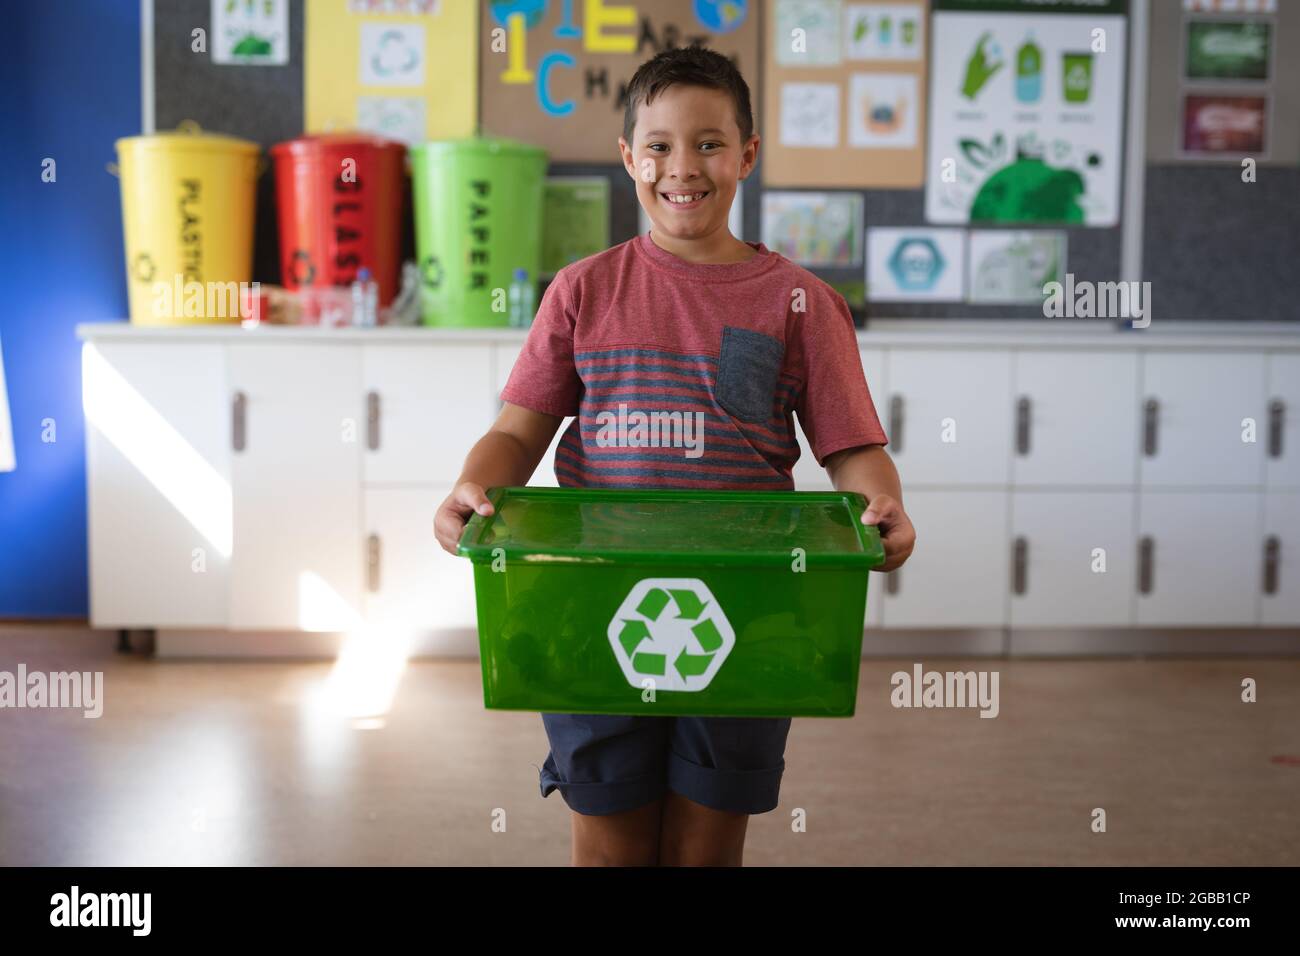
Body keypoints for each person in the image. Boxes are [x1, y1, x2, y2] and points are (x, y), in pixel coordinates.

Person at [434, 46, 915, 866]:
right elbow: (520, 431)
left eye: (709, 144)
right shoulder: (582, 290)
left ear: (747, 154)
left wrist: (881, 504)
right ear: (629, 158)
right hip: (588, 602)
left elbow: (851, 446)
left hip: (748, 608)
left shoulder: (801, 302)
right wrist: (473, 487)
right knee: (610, 842)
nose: (681, 167)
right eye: (657, 145)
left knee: (704, 845)